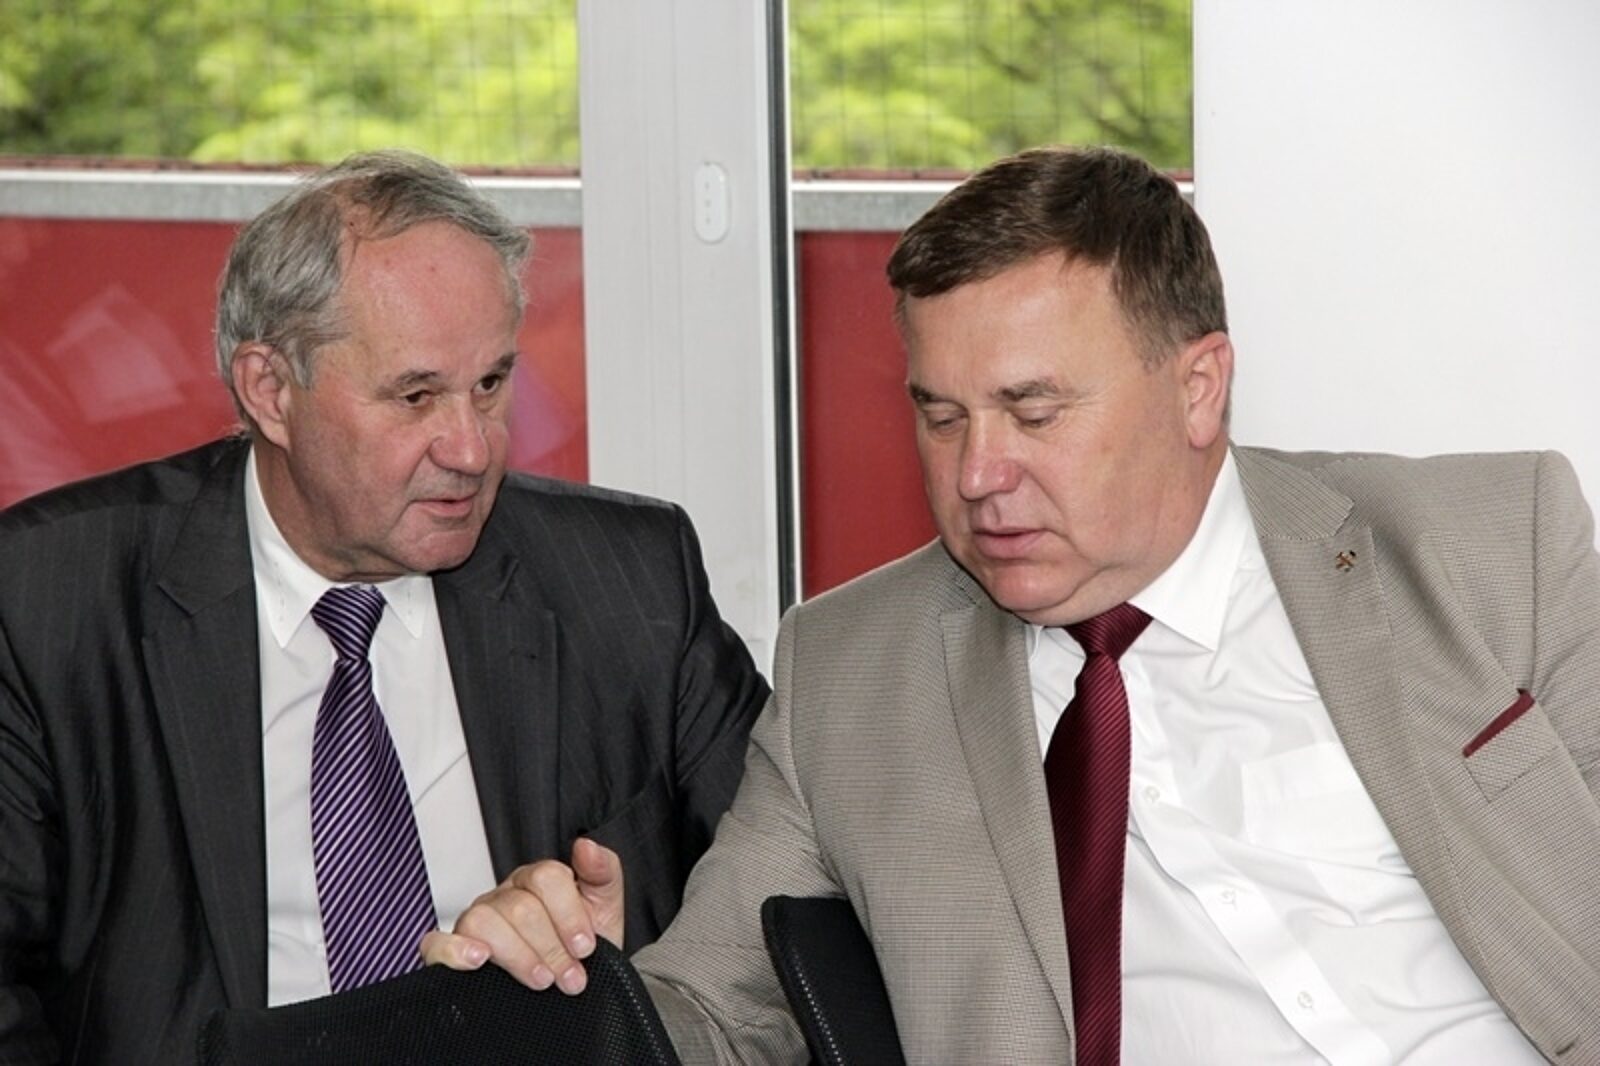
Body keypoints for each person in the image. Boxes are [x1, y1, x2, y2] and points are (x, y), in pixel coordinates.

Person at [428, 145, 1600, 1063]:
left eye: (1034, 413)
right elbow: (714, 1015)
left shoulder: (1489, 544)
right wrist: (576, 980)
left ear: (1199, 387)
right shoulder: (850, 674)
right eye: (940, 416)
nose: (979, 473)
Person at [0, 149, 768, 1063]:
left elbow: (786, 906)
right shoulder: (49, 599)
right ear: (270, 390)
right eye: (416, 395)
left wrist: (620, 987)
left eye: (491, 384)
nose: (472, 449)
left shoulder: (630, 579)